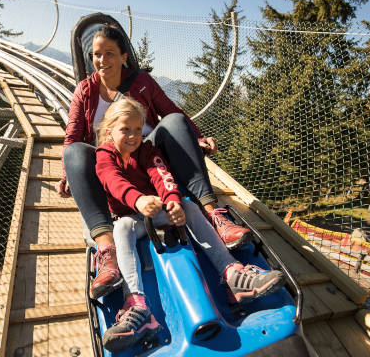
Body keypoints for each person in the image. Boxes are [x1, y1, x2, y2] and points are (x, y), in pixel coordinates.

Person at [57, 24, 252, 299]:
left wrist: (195, 138)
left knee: (173, 121)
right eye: (96, 54)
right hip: (111, 162)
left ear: (124, 56)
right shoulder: (85, 90)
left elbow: (172, 112)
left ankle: (214, 215)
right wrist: (68, 175)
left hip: (149, 155)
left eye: (109, 53)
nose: (102, 61)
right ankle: (106, 251)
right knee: (74, 151)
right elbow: (73, 135)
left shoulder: (143, 83)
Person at [94, 98, 284, 352]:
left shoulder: (148, 151)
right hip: (131, 215)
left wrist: (173, 203)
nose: (133, 136)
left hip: (158, 210)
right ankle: (137, 306)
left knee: (190, 206)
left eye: (138, 130)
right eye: (125, 129)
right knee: (121, 229)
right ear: (109, 132)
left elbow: (162, 176)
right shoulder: (104, 156)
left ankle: (232, 274)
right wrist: (138, 200)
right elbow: (112, 180)